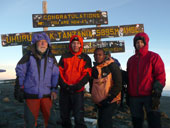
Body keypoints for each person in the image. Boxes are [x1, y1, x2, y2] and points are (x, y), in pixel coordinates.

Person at [15, 32, 59, 128]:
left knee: (51, 121)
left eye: (45, 42)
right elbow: (20, 72)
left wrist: (54, 89)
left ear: (48, 44)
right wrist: (20, 88)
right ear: (35, 43)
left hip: (47, 95)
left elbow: (55, 75)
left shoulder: (51, 58)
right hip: (31, 94)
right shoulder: (28, 56)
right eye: (40, 42)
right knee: (30, 123)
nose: (43, 44)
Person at [127, 32, 166, 128]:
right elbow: (128, 77)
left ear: (145, 43)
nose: (139, 44)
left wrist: (157, 90)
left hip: (150, 95)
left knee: (154, 121)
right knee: (136, 122)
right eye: (137, 42)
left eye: (141, 42)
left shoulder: (153, 57)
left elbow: (160, 75)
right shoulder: (131, 60)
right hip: (134, 97)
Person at [58, 35, 92, 128]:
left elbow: (87, 74)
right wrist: (65, 85)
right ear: (71, 44)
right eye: (73, 43)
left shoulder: (85, 58)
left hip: (78, 92)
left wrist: (76, 86)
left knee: (79, 118)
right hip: (64, 91)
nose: (75, 45)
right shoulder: (65, 56)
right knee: (64, 117)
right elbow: (59, 72)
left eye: (77, 43)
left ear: (81, 45)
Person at [90, 48, 122, 128]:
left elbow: (118, 84)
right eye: (95, 55)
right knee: (101, 122)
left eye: (100, 55)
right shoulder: (94, 69)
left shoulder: (112, 66)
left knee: (105, 122)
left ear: (104, 56)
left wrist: (109, 99)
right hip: (100, 102)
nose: (97, 57)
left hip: (110, 101)